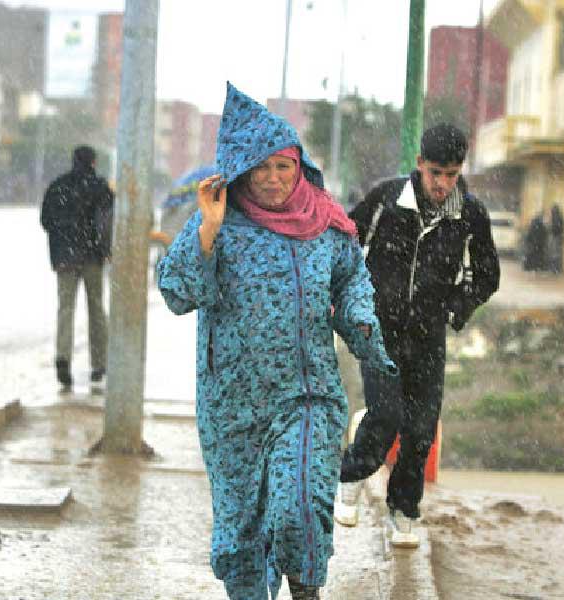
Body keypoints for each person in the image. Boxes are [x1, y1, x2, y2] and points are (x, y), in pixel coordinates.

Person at [157, 83, 396, 600]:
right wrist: (209, 228)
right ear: (241, 171)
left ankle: (306, 591)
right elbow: (176, 291)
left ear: (299, 166)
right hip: (233, 404)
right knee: (241, 533)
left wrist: (364, 329)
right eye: (260, 168)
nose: (271, 179)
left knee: (300, 506)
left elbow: (352, 283)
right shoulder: (219, 224)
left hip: (306, 395)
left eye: (282, 166)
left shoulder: (327, 226)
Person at [334, 124, 500, 548]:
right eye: (436, 174)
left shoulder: (470, 215)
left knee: (421, 429)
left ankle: (403, 509)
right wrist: (353, 305)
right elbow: (344, 249)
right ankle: (350, 476)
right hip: (379, 332)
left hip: (429, 337)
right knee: (386, 414)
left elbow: (487, 276)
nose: (443, 184)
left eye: (452, 174)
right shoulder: (386, 200)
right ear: (420, 165)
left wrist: (455, 308)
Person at [40, 145, 113, 391]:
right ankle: (99, 363)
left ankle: (63, 360)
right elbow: (107, 221)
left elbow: (45, 221)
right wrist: (104, 248)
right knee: (96, 308)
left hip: (65, 258)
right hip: (92, 256)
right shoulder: (100, 188)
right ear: (93, 162)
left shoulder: (58, 186)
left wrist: (64, 239)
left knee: (65, 309)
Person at [548, 203, 564, 274]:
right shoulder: (558, 217)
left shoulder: (557, 217)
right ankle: (555, 269)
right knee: (555, 253)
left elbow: (557, 227)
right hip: (556, 236)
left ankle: (555, 269)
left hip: (556, 236)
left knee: (555, 254)